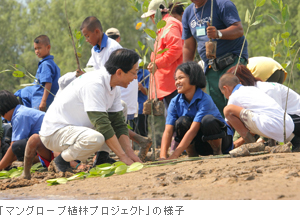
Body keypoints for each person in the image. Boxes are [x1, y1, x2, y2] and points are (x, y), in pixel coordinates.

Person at [39, 49, 143, 172]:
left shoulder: (114, 85)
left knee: (122, 106)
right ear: (119, 72)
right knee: (95, 138)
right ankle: (61, 160)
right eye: (134, 72)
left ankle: (102, 157)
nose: (136, 77)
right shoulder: (95, 84)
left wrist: (129, 152)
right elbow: (102, 125)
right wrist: (122, 156)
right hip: (55, 133)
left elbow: (118, 123)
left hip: (76, 128)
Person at [182, 0, 248, 117]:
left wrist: (218, 33)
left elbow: (238, 30)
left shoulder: (222, 4)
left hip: (232, 62)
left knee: (236, 102)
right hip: (211, 67)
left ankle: (242, 135)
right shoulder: (188, 13)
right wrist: (186, 72)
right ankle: (226, 135)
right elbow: (188, 46)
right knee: (217, 109)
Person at [160, 62, 234, 160]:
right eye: (176, 79)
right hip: (199, 144)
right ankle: (192, 154)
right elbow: (168, 131)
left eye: (181, 78)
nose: (177, 82)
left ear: (193, 78)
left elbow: (193, 130)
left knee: (208, 120)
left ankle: (217, 152)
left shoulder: (205, 100)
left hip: (222, 141)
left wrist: (174, 156)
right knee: (181, 121)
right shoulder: (175, 102)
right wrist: (163, 157)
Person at [227, 64, 300, 151]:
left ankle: (297, 142)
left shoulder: (266, 89)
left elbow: (277, 117)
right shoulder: (251, 92)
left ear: (240, 83)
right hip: (288, 120)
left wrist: (249, 142)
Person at [142, 0, 184, 114]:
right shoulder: (165, 25)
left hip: (173, 84)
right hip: (168, 84)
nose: (151, 20)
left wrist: (157, 64)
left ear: (155, 15)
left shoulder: (170, 25)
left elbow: (175, 49)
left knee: (175, 120)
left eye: (151, 16)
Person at [15, 35, 60, 111]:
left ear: (48, 47)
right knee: (22, 93)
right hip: (39, 100)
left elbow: (48, 83)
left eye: (39, 48)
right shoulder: (50, 63)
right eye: (35, 49)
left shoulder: (46, 64)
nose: (37, 51)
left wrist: (43, 101)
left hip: (41, 102)